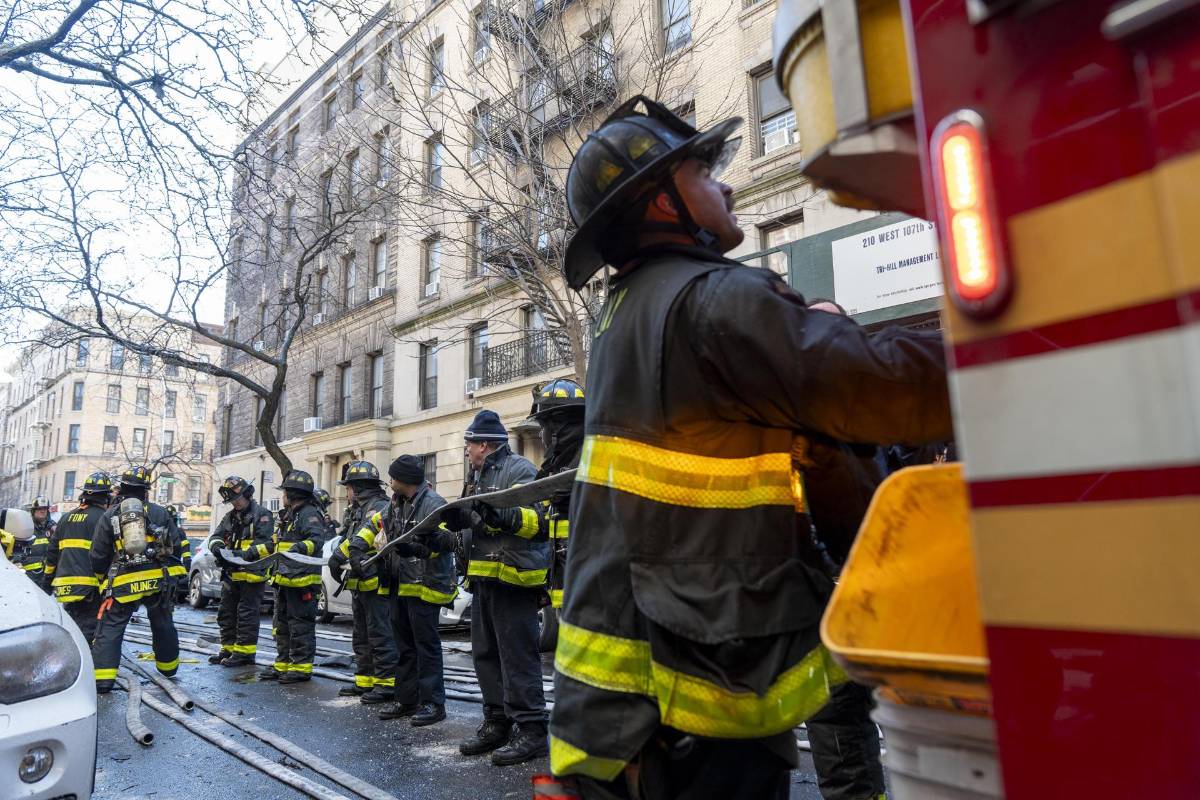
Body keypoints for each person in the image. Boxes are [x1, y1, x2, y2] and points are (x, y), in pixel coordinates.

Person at [547, 96, 952, 799]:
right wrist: (1011, 334)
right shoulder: (713, 300)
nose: (728, 184)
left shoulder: (630, 310)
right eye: (705, 171)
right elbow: (875, 386)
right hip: (690, 705)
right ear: (659, 201)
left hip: (626, 713)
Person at [443, 409, 549, 766]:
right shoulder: (475, 476)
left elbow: (538, 524)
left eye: (469, 444)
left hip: (514, 581)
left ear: (484, 444)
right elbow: (474, 523)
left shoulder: (519, 470)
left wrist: (501, 515)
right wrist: (458, 521)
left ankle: (532, 731)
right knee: (485, 655)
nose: (467, 451)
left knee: (517, 658)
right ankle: (497, 723)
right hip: (486, 580)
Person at [91, 466, 190, 694]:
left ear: (123, 489)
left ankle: (103, 681)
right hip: (158, 581)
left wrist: (102, 580)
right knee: (163, 622)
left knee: (111, 628)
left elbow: (98, 554)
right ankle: (168, 668)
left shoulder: (110, 515)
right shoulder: (160, 513)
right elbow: (174, 546)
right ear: (146, 491)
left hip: (124, 582)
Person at [377, 454, 456, 726]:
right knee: (405, 646)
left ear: (405, 480)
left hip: (425, 585)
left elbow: (449, 542)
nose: (390, 482)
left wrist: (418, 548)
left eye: (393, 477)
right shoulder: (397, 503)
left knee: (426, 647)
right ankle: (406, 699)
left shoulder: (432, 503)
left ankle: (433, 704)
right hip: (402, 583)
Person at [329, 461, 397, 703]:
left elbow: (366, 541)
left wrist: (339, 556)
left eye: (348, 487)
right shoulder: (358, 510)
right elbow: (348, 538)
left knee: (380, 634)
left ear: (356, 488)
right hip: (360, 581)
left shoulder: (378, 508)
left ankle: (386, 685)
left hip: (377, 582)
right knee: (362, 635)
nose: (346, 493)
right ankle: (365, 681)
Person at [257, 469, 325, 684]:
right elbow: (276, 544)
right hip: (285, 580)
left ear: (293, 494)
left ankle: (300, 668)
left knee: (300, 625)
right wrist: (248, 554)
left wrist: (298, 548)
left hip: (302, 582)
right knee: (283, 624)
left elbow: (316, 541)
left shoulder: (309, 514)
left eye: (285, 492)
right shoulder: (290, 516)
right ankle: (283, 663)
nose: (282, 495)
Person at [527, 378, 585, 610]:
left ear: (559, 428)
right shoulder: (558, 466)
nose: (541, 435)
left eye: (544, 427)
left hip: (587, 597)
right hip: (565, 593)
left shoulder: (590, 461)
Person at [207, 476, 275, 667]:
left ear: (247, 494)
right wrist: (218, 549)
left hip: (252, 575)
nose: (235, 503)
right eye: (232, 501)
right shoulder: (230, 517)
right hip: (232, 574)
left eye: (237, 499)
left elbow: (267, 544)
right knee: (226, 613)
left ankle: (244, 654)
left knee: (246, 615)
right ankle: (228, 649)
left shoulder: (262, 515)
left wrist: (242, 554)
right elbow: (216, 536)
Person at [46, 472, 114, 643]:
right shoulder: (103, 518)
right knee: (88, 633)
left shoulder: (65, 518)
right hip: (90, 586)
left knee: (70, 628)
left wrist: (46, 584)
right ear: (105, 497)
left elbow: (52, 554)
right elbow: (108, 553)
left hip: (64, 586)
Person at [12, 495, 53, 591]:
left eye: (45, 509)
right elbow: (16, 552)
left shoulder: (52, 529)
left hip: (47, 577)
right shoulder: (25, 528)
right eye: (39, 509)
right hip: (28, 576)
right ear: (33, 511)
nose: (43, 511)